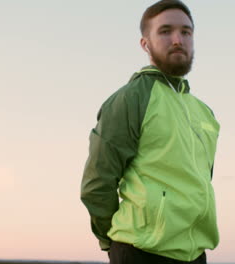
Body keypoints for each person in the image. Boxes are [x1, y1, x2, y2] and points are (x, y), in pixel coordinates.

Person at [80, 1, 220, 263]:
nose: (178, 39)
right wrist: (112, 241)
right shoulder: (130, 99)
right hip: (140, 251)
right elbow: (97, 183)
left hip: (195, 254)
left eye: (186, 32)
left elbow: (201, 181)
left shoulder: (205, 112)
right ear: (146, 44)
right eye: (165, 31)